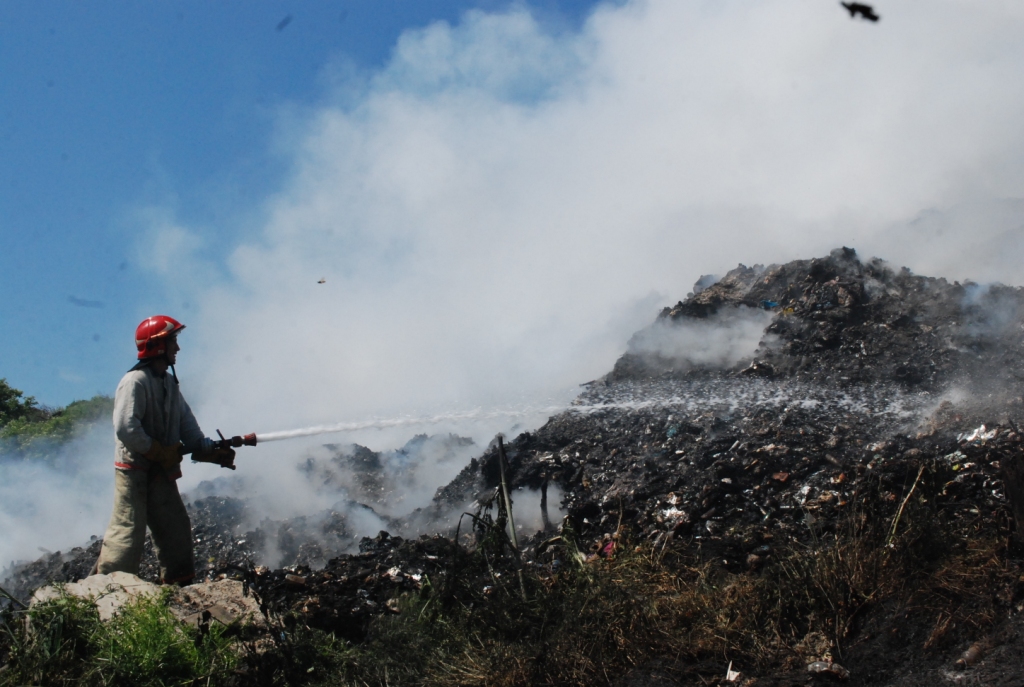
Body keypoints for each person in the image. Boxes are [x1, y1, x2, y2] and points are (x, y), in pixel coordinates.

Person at [94, 315, 235, 584]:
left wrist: (204, 446)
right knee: (127, 530)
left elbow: (185, 422)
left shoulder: (168, 383)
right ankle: (110, 592)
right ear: (157, 345)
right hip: (134, 471)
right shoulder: (135, 381)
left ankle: (178, 589)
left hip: (160, 471)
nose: (177, 348)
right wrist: (156, 451)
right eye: (173, 341)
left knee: (176, 529)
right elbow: (125, 427)